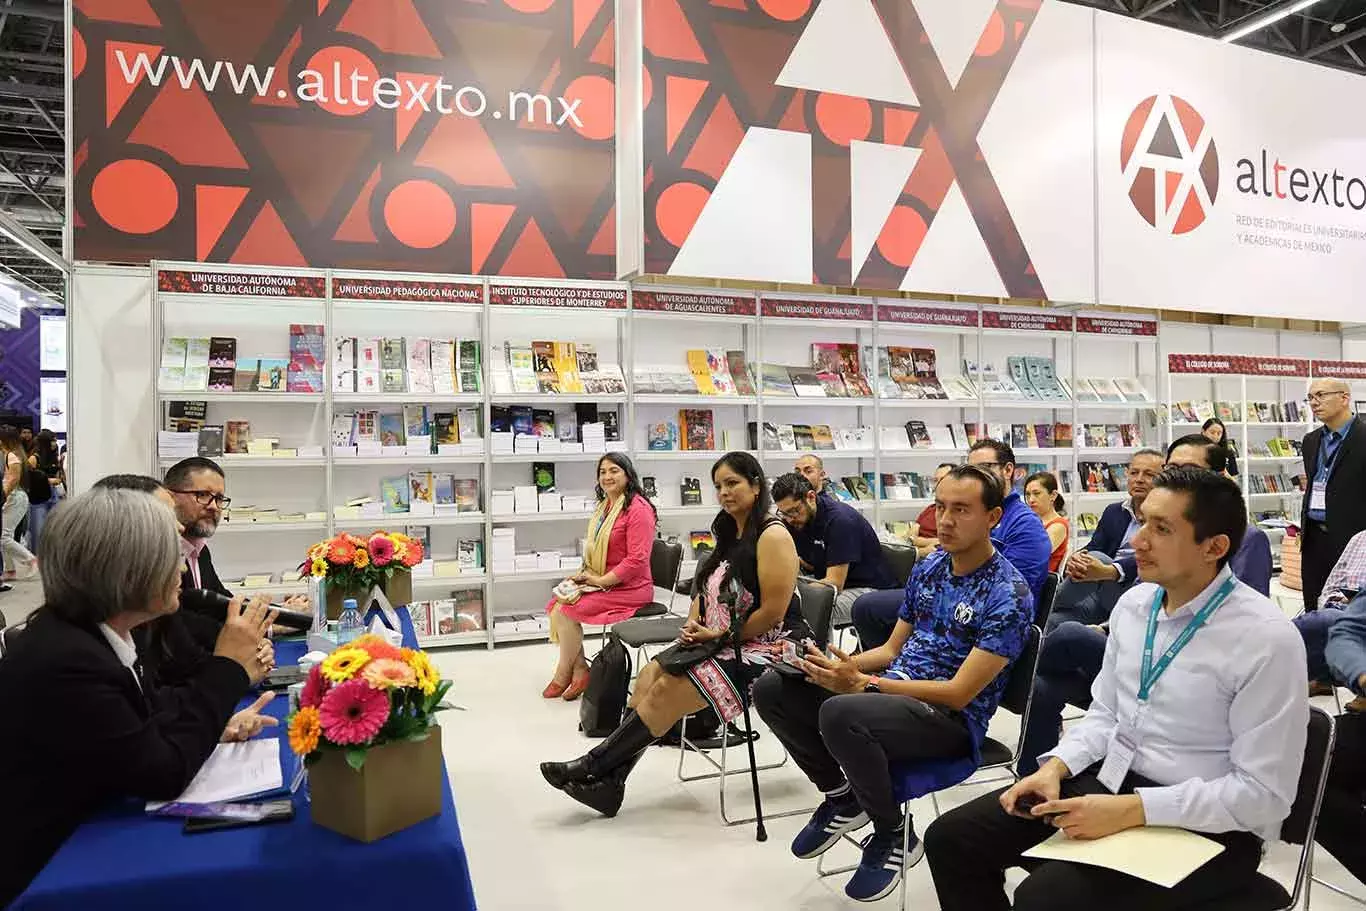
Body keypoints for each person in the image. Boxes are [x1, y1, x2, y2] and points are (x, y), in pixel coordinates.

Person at [925, 466, 1308, 911]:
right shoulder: (1136, 605)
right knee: (953, 839)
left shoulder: (1265, 638)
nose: (1138, 540)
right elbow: (1106, 713)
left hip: (1210, 823)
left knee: (1045, 898)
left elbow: (1264, 795)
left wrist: (1134, 809)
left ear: (1214, 547)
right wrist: (1056, 769)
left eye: (1161, 529)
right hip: (1110, 782)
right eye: (1143, 521)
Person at [753, 464, 1033, 902]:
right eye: (940, 507)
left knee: (842, 711)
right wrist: (830, 666)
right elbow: (889, 651)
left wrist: (865, 685)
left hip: (950, 722)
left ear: (993, 517)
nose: (944, 520)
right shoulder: (932, 567)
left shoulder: (1009, 593)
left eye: (961, 510)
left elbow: (960, 693)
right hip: (893, 691)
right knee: (773, 688)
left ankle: (892, 832)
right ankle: (841, 796)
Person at [0, 487, 280, 906]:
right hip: (47, 872)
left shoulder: (93, 636)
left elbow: (147, 714)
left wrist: (214, 725)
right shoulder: (67, 660)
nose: (181, 572)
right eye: (169, 558)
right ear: (128, 570)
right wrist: (229, 668)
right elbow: (163, 773)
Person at [540, 451, 806, 818]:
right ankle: (610, 782)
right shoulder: (730, 529)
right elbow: (705, 587)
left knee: (665, 689)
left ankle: (594, 766)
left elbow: (773, 613)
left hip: (765, 648)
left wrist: (719, 634)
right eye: (718, 486)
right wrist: (696, 622)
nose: (724, 493)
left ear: (756, 484)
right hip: (719, 638)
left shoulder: (773, 535)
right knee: (649, 675)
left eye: (733, 483)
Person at [1016, 435, 1274, 776]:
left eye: (1190, 471)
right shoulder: (1135, 543)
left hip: (1183, 677)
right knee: (1043, 683)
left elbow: (1237, 627)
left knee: (1068, 636)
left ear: (1220, 477)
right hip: (1132, 650)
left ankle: (1001, 667)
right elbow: (1143, 602)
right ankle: (1033, 771)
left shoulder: (1247, 543)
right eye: (1172, 469)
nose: (1140, 540)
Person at [851, 442, 1049, 650]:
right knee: (873, 610)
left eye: (983, 468)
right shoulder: (962, 516)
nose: (975, 477)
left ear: (1008, 470)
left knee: (871, 608)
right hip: (950, 593)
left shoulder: (1025, 525)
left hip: (986, 612)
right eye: (970, 470)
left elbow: (1013, 591)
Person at [92, 474, 275, 689]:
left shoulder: (144, 619)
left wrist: (241, 652)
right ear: (129, 543)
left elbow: (184, 676)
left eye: (219, 498)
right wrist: (231, 669)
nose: (182, 566)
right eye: (203, 495)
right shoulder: (78, 658)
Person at [543, 452, 658, 700]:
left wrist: (600, 582)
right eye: (602, 472)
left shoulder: (639, 509)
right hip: (603, 580)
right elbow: (596, 550)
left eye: (614, 470)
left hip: (631, 588)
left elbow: (637, 560)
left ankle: (563, 673)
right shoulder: (605, 506)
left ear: (628, 474)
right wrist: (585, 576)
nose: (607, 476)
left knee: (565, 611)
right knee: (556, 603)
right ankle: (581, 669)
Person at [164, 458, 306, 639]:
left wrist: (282, 612)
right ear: (170, 498)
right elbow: (185, 627)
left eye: (219, 498)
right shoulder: (163, 555)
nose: (214, 507)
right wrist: (270, 628)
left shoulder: (200, 550)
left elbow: (225, 604)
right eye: (203, 495)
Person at [1047, 449, 1164, 632]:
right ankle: (1044, 615)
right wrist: (1075, 558)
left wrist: (1110, 570)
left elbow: (1157, 557)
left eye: (1149, 474)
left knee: (1098, 558)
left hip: (1138, 590)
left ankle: (1042, 606)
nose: (1139, 479)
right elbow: (1094, 546)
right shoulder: (1114, 511)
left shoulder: (1165, 518)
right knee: (1054, 622)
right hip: (1101, 593)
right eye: (1134, 473)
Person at [772, 472, 894, 628]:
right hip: (834, 582)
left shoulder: (840, 521)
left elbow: (834, 583)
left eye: (794, 511)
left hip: (869, 591)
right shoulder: (797, 519)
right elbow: (810, 562)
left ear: (810, 497)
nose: (789, 518)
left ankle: (816, 652)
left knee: (811, 608)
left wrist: (791, 593)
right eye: (784, 513)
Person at [1300, 377, 1366, 613]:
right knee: (1314, 607)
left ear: (1344, 398)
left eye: (1321, 395)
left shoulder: (1362, 437)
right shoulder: (1310, 441)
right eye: (1310, 398)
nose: (1314, 402)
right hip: (1314, 539)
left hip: (1354, 541)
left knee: (1350, 612)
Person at [1296, 529, 1366, 703]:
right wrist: (1334, 601)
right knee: (1319, 622)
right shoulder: (1359, 539)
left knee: (1318, 624)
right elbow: (1330, 586)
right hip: (1338, 607)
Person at [0, 425, 37, 580]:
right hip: (14, 497)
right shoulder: (13, 454)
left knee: (3, 536)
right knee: (3, 535)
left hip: (14, 498)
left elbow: (13, 480)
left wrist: (3, 497)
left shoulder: (11, 456)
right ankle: (10, 570)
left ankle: (30, 559)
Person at [25, 429, 63, 553]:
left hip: (54, 494)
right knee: (38, 530)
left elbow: (59, 475)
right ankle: (36, 557)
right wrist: (49, 480)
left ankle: (53, 553)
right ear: (46, 442)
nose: (55, 443)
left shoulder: (54, 457)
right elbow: (29, 479)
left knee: (56, 527)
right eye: (53, 440)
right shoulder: (33, 458)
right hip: (38, 497)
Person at [1024, 471, 1069, 573]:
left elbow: (1036, 554)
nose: (1031, 499)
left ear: (1053, 495)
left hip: (1038, 582)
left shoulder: (1058, 525)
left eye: (1037, 493)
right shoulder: (1030, 520)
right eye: (1027, 494)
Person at [908, 463, 955, 558]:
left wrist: (916, 541)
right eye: (935, 480)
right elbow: (910, 536)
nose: (937, 484)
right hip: (917, 553)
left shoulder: (955, 512)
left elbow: (942, 543)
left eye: (942, 479)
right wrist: (917, 543)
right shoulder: (931, 508)